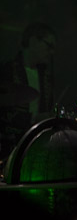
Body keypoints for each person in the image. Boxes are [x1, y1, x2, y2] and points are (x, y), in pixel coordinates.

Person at [0, 22, 56, 160]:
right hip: (11, 145)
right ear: (32, 41)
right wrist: (33, 119)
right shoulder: (7, 71)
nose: (52, 52)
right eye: (49, 46)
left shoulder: (46, 77)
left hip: (38, 144)